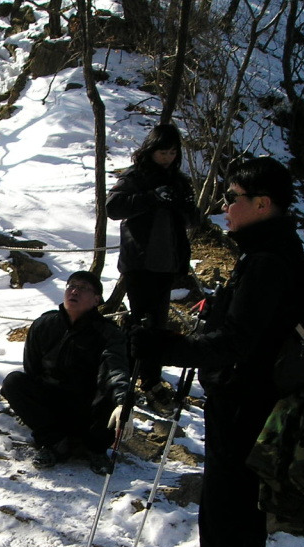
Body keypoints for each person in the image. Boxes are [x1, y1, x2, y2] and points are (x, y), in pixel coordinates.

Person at [130, 156, 304, 547]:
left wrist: (171, 346)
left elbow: (236, 345)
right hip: (263, 405)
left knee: (225, 521)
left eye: (233, 197)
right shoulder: (278, 253)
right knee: (245, 519)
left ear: (263, 204)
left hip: (246, 407)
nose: (224, 206)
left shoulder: (269, 261)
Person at [106, 123, 200, 411]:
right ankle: (129, 377)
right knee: (140, 323)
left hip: (167, 263)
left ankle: (149, 378)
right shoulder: (136, 176)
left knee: (156, 324)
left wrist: (183, 205)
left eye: (172, 152)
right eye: (163, 152)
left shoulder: (179, 180)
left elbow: (194, 220)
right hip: (140, 262)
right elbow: (113, 207)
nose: (168, 157)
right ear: (151, 150)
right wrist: (151, 198)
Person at [1, 271, 132, 474]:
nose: (74, 291)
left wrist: (123, 401)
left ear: (97, 299)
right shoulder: (44, 324)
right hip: (53, 403)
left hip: (88, 408)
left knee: (110, 393)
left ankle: (95, 449)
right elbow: (32, 367)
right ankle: (54, 443)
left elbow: (114, 369)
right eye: (71, 286)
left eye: (82, 288)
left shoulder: (109, 333)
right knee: (14, 382)